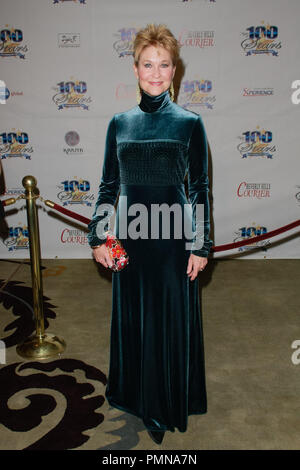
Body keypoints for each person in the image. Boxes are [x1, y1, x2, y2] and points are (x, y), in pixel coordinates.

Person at [88, 23, 212, 445]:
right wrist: (99, 237)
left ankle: (164, 405)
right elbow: (107, 186)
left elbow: (199, 189)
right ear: (135, 68)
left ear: (175, 70)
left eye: (164, 65)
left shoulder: (190, 124)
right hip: (128, 238)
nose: (155, 73)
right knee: (132, 316)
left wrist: (201, 244)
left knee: (167, 320)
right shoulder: (118, 123)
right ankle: (135, 395)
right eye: (147, 64)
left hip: (174, 239)